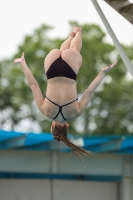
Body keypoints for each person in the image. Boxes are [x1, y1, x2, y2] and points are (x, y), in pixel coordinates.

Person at [13, 27, 117, 159]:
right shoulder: (46, 111)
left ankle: (77, 33)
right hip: (51, 69)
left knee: (73, 50)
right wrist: (23, 64)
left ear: (67, 127)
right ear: (52, 125)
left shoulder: (75, 113)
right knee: (61, 51)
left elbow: (89, 91)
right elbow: (33, 86)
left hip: (69, 71)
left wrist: (103, 72)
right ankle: (69, 37)